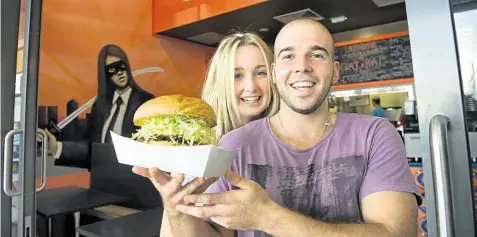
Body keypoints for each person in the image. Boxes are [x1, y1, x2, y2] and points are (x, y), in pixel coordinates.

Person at [146, 19, 421, 237]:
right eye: (289, 56)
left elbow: (396, 233)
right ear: (277, 71)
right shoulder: (231, 146)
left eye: (316, 54)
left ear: (335, 71)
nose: (302, 67)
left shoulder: (375, 134)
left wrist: (268, 217)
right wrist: (176, 206)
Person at [132, 31, 280, 236]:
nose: (251, 87)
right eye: (237, 75)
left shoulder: (284, 140)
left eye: (261, 73)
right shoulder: (201, 151)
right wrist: (175, 204)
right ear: (220, 82)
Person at [45, 44, 155, 169]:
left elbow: (150, 149)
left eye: (122, 66)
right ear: (106, 74)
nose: (119, 73)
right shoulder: (99, 106)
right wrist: (57, 147)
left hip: (132, 180)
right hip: (101, 179)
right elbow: (93, 148)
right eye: (112, 70)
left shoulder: (145, 101)